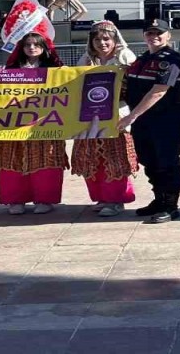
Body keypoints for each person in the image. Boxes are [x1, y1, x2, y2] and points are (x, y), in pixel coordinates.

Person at [119, 20, 180, 223]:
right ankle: (158, 199)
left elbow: (158, 92)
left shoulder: (172, 60)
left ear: (168, 35)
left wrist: (131, 116)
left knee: (167, 161)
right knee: (149, 160)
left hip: (166, 121)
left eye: (159, 33)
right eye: (149, 33)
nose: (154, 37)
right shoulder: (141, 60)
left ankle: (170, 205)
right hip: (143, 122)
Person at [0, 30, 69, 215]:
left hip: (45, 122)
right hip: (15, 122)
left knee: (46, 157)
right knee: (13, 158)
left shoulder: (55, 70)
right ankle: (15, 200)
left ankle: (45, 199)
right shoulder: (11, 69)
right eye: (27, 44)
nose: (31, 48)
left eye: (36, 44)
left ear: (44, 48)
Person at [73, 21, 139, 218]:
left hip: (117, 113)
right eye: (97, 39)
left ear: (114, 40)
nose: (101, 43)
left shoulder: (124, 57)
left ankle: (116, 199)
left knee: (114, 157)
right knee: (92, 157)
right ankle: (101, 197)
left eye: (106, 39)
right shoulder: (86, 59)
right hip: (89, 115)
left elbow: (134, 86)